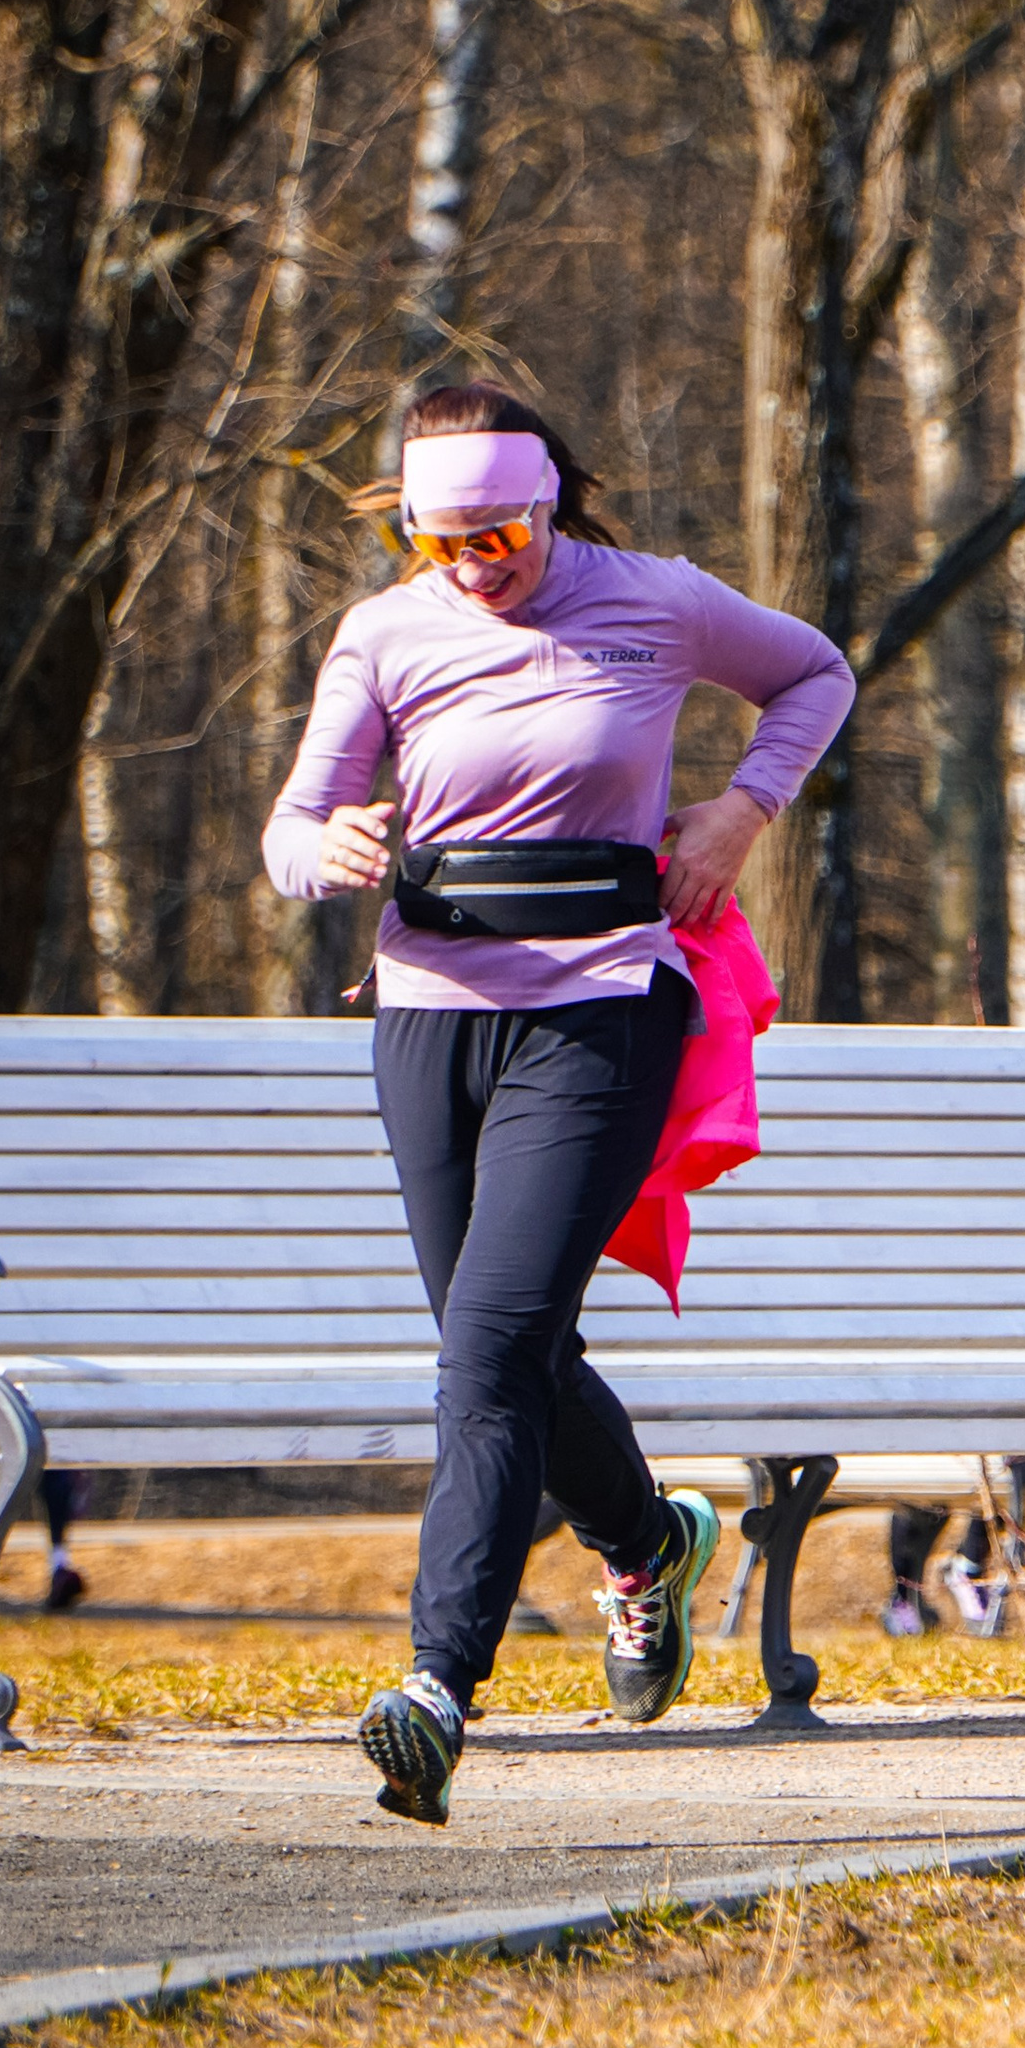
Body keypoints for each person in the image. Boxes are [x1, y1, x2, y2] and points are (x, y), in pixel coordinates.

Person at [264, 382, 852, 1826]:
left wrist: (740, 810)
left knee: (489, 1347)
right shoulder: (387, 634)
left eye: (505, 532)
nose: (478, 565)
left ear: (553, 498)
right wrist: (322, 846)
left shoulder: (652, 600)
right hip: (426, 1015)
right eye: (443, 540)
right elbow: (292, 822)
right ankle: (648, 1544)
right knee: (508, 1338)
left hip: (599, 1008)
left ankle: (435, 1689)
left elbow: (817, 674)